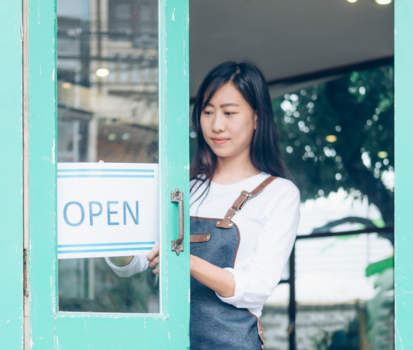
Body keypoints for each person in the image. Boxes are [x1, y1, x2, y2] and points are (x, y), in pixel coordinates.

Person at [106, 61, 300, 350]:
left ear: (257, 118)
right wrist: (108, 214)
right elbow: (135, 260)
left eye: (229, 113)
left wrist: (185, 261)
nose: (216, 125)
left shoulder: (279, 193)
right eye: (207, 112)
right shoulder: (183, 187)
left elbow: (257, 287)